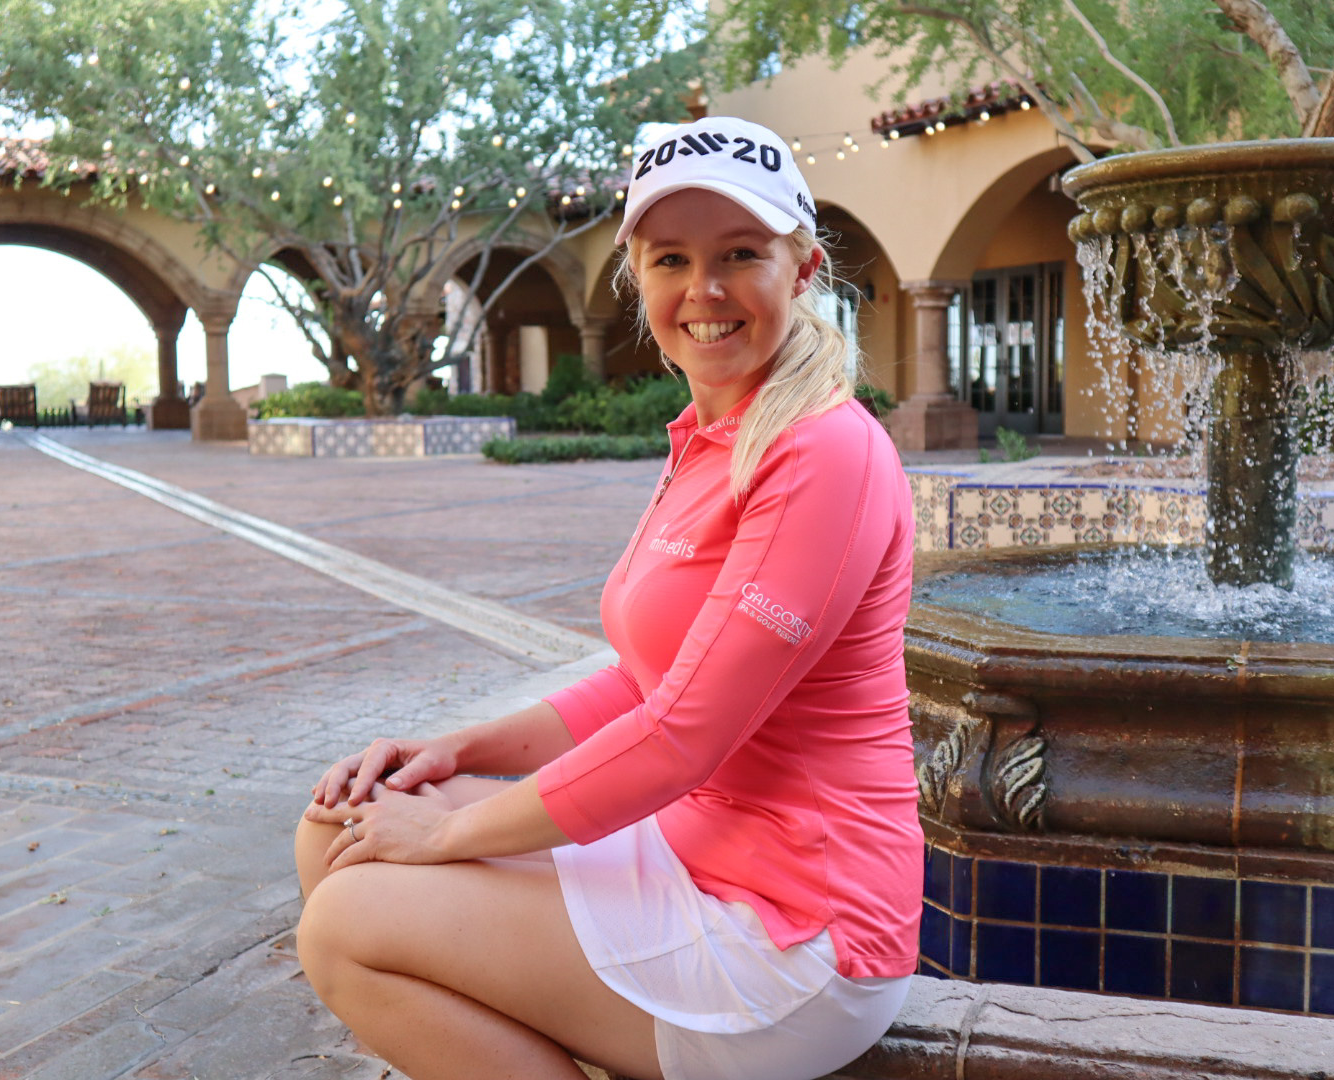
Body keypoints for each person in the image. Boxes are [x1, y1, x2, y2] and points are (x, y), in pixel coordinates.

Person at [295, 115, 921, 1080]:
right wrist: (456, 751)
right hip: (686, 852)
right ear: (639, 278)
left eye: (740, 254)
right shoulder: (710, 439)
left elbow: (682, 735)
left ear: (801, 271)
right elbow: (642, 685)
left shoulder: (823, 451)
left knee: (345, 924)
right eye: (672, 259)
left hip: (793, 931)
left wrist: (450, 831)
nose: (704, 290)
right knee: (340, 824)